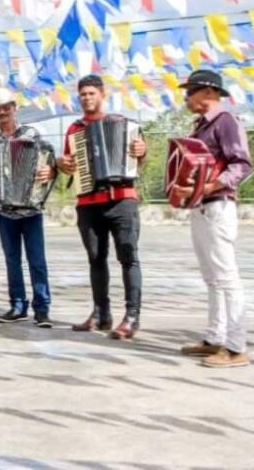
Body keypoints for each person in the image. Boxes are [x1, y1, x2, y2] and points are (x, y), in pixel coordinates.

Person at [57, 74, 146, 340]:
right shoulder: (74, 130)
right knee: (96, 259)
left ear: (102, 95)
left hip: (122, 200)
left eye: (91, 93)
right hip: (88, 202)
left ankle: (132, 316)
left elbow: (139, 162)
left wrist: (142, 151)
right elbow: (67, 163)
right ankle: (100, 313)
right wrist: (64, 164)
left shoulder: (125, 124)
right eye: (82, 94)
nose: (86, 98)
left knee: (128, 258)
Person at [176, 70, 253, 368]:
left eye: (191, 90)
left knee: (226, 276)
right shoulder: (201, 127)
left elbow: (241, 164)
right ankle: (215, 338)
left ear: (210, 92)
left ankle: (236, 347)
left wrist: (209, 186)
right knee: (211, 278)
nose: (186, 96)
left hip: (218, 205)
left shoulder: (226, 122)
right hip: (202, 206)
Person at [0, 88, 55, 328]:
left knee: (37, 261)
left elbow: (51, 163)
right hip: (3, 210)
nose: (2, 112)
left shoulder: (33, 134)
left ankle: (42, 309)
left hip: (31, 209)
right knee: (12, 260)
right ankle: (18, 305)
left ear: (15, 107)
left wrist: (50, 172)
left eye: (6, 107)